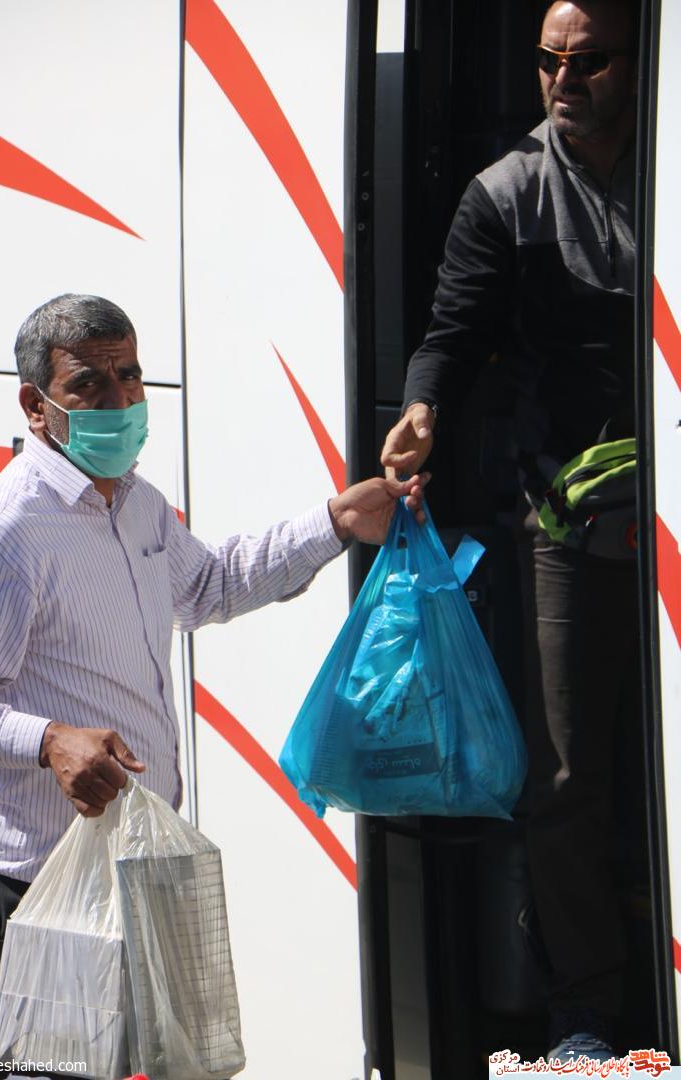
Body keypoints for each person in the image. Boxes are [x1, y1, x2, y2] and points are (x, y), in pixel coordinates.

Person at [0, 292, 428, 1067]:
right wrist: (47, 741)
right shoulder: (3, 529)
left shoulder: (137, 504)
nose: (120, 402)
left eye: (130, 376)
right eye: (88, 385)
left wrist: (336, 523)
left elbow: (209, 585)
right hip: (28, 893)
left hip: (123, 879)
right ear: (35, 407)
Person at [381, 0, 639, 1063]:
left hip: (663, 503)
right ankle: (586, 1012)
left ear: (640, 63)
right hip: (566, 517)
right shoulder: (507, 192)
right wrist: (422, 409)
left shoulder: (662, 169)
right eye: (547, 60)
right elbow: (452, 333)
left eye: (588, 60)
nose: (563, 78)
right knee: (569, 775)